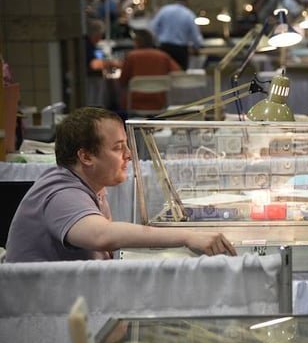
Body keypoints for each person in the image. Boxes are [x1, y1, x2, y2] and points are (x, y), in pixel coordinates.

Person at [4, 107, 236, 262]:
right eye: (118, 148)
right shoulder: (61, 193)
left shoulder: (92, 189)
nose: (129, 155)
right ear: (86, 157)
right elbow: (101, 235)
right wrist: (187, 237)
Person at [118, 29, 182, 113]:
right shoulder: (163, 56)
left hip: (134, 103)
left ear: (137, 42)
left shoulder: (131, 56)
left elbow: (122, 81)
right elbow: (178, 72)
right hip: (159, 104)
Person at [150, 0, 204, 70]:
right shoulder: (189, 14)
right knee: (179, 74)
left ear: (175, 0)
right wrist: (199, 45)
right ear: (187, 0)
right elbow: (195, 35)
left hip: (164, 47)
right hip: (180, 50)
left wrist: (156, 42)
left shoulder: (164, 10)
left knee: (164, 72)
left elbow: (153, 27)